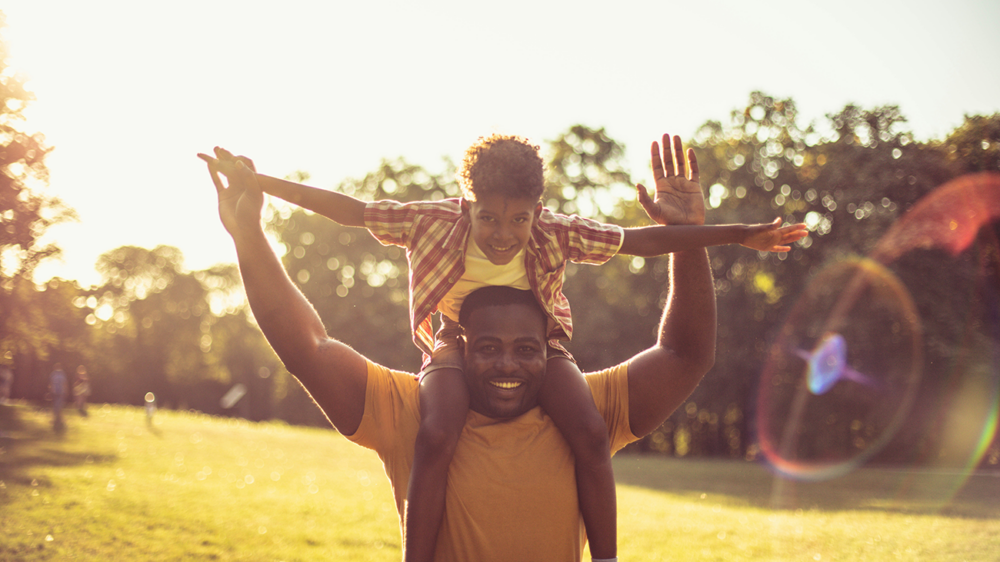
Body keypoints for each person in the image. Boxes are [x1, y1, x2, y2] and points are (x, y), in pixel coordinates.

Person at [200, 134, 806, 562]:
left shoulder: (583, 397)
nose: (508, 366)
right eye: (488, 347)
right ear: (467, 205)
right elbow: (310, 328)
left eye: (524, 348)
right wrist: (254, 219)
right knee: (438, 432)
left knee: (591, 434)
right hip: (440, 351)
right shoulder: (412, 407)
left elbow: (676, 330)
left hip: (550, 363)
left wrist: (715, 234)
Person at [49, 363, 67, 432]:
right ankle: (58, 416)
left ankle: (56, 415)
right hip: (61, 391)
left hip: (54, 391)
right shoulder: (62, 374)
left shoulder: (53, 374)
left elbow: (50, 383)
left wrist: (50, 390)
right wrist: (66, 390)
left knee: (55, 403)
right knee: (60, 403)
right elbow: (64, 383)